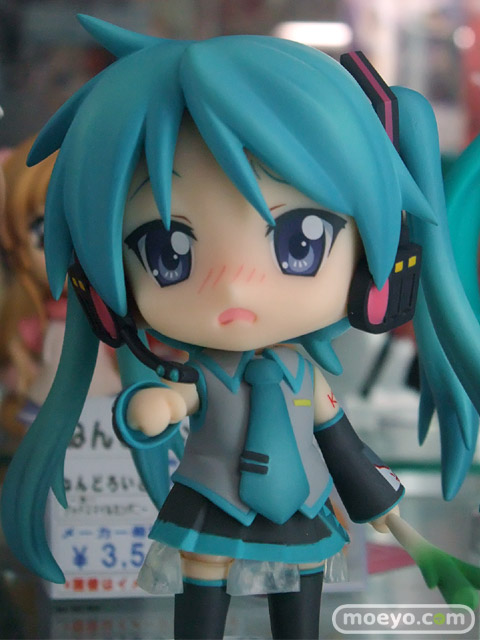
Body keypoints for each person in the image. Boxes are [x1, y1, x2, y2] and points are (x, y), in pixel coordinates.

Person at [3, 16, 480, 639]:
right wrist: (154, 406)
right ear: (103, 290)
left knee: (301, 599)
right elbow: (171, 402)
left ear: (378, 274)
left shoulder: (305, 380)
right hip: (212, 502)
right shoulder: (205, 376)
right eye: (167, 252)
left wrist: (395, 521)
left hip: (301, 508)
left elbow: (345, 448)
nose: (233, 286)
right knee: (204, 592)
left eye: (301, 241)